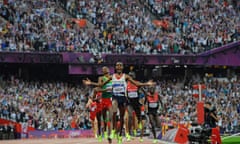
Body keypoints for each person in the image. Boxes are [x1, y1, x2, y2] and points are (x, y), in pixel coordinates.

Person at [111, 62, 155, 144]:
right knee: (129, 116)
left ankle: (138, 125)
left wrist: (144, 99)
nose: (131, 77)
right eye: (130, 75)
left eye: (132, 75)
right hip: (129, 102)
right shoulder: (126, 84)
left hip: (136, 102)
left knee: (138, 117)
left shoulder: (136, 83)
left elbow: (143, 92)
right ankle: (129, 132)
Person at [83, 66, 113, 143]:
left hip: (108, 101)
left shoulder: (111, 80)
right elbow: (92, 98)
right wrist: (94, 100)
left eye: (105, 69)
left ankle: (108, 133)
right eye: (102, 70)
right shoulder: (97, 89)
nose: (104, 71)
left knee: (109, 118)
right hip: (99, 106)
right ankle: (99, 135)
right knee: (99, 122)